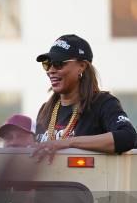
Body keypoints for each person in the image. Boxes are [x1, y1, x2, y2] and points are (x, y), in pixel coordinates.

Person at [32, 34, 136, 162]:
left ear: (82, 66)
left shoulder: (102, 103)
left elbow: (127, 137)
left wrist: (69, 143)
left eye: (58, 64)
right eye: (47, 64)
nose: (51, 70)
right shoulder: (46, 109)